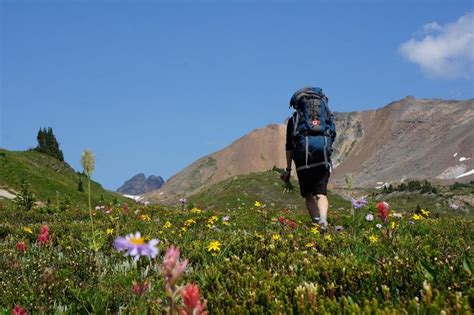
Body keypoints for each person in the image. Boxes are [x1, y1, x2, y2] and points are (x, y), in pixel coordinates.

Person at [281, 87, 336, 230]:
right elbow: (333, 134)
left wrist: (288, 169)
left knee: (309, 195)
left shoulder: (294, 119)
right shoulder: (326, 116)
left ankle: (315, 222)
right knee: (321, 193)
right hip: (322, 157)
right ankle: (323, 219)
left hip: (302, 161)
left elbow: (289, 146)